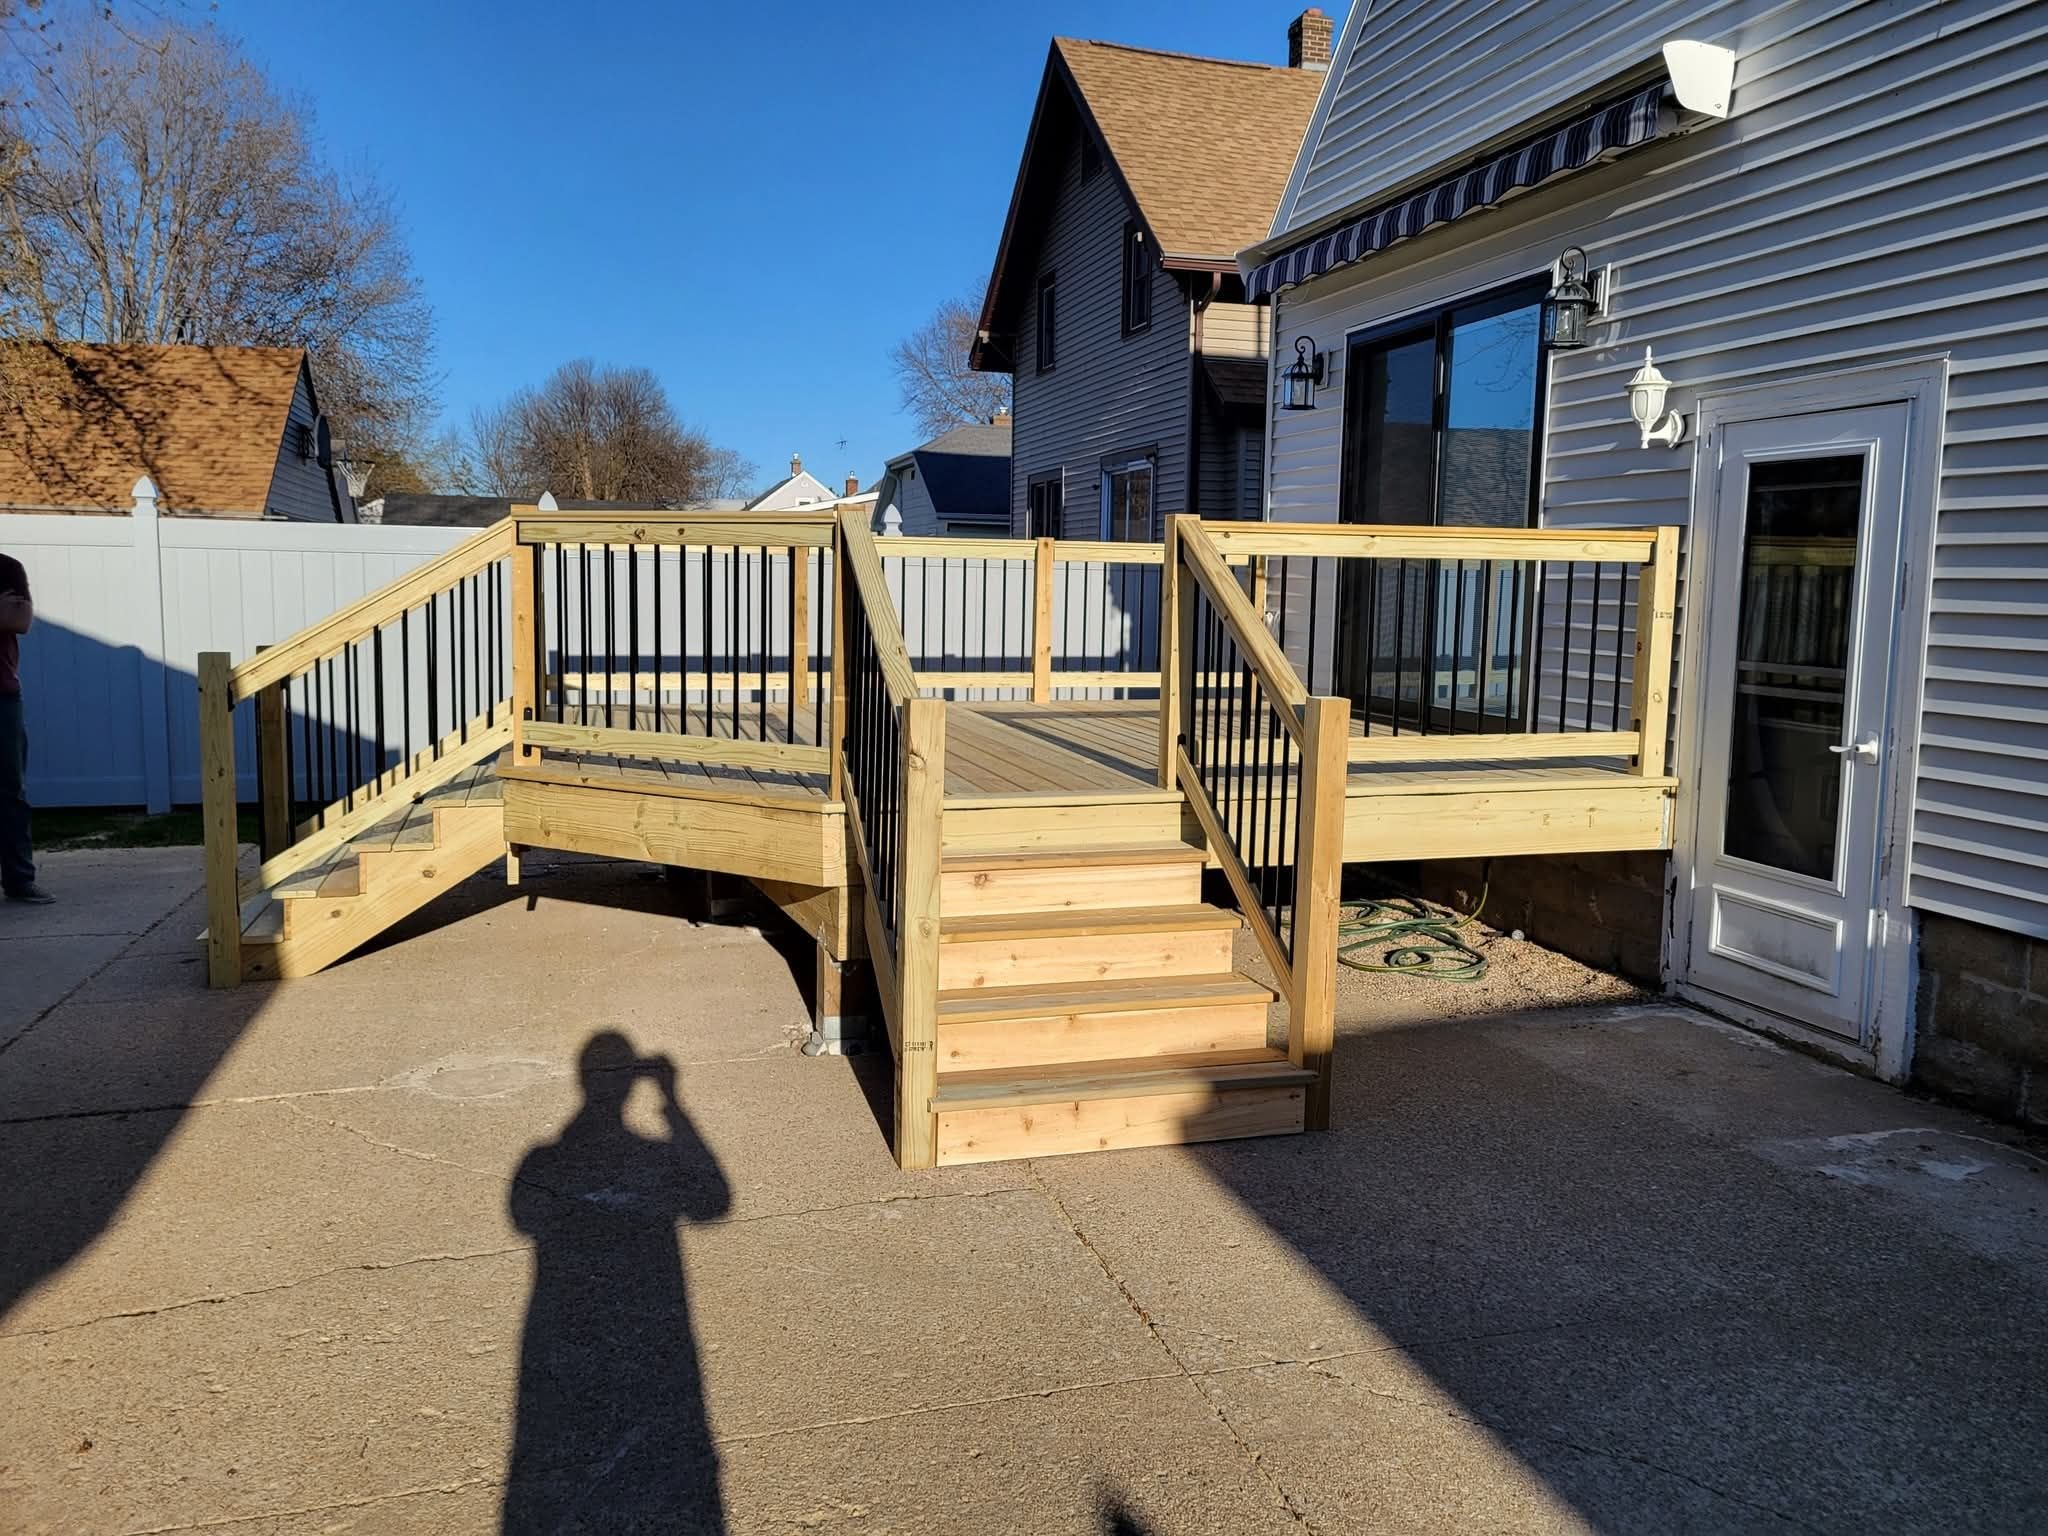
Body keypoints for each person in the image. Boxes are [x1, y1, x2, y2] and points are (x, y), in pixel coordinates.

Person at [1, 551, 51, 904]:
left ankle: (19, 880)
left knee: (11, 791)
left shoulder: (7, 568)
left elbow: (21, 619)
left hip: (1, 698)